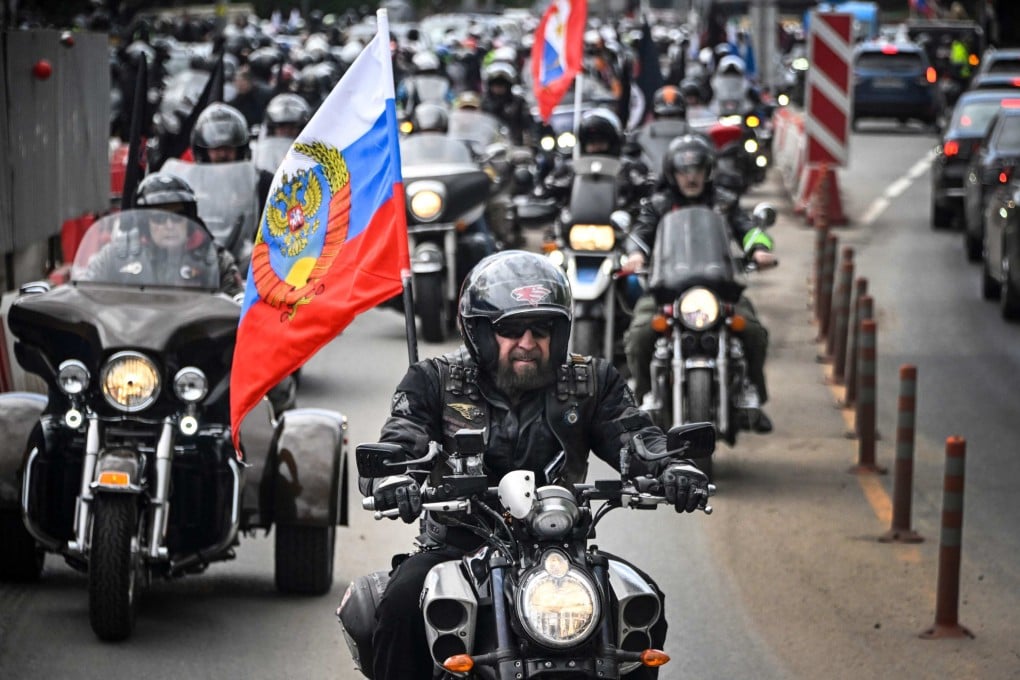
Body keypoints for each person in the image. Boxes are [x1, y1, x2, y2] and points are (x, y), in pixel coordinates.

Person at [360, 250, 711, 680]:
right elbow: (402, 436)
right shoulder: (434, 380)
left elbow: (636, 436)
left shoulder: (591, 381)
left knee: (642, 603)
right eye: (510, 330)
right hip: (458, 544)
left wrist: (670, 469)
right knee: (400, 606)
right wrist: (396, 475)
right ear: (481, 333)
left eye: (541, 328)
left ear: (559, 332)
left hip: (563, 552)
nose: (527, 342)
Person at [621, 134, 776, 432]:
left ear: (708, 171)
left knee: (753, 332)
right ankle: (642, 399)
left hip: (719, 287)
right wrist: (636, 256)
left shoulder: (724, 203)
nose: (690, 177)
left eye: (697, 170)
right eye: (683, 171)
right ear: (672, 173)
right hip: (667, 289)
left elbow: (748, 229)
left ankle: (754, 395)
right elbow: (640, 235)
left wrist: (759, 249)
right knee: (640, 335)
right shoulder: (658, 205)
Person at [83, 173, 244, 296]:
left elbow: (239, 311)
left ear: (189, 219)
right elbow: (85, 294)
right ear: (144, 223)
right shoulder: (117, 255)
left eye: (178, 216)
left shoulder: (215, 259)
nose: (169, 225)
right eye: (159, 217)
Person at [480, 61, 531, 146]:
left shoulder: (518, 103)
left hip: (515, 146)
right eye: (495, 84)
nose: (498, 88)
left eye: (502, 84)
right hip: (488, 147)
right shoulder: (484, 105)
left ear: (508, 86)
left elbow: (528, 125)